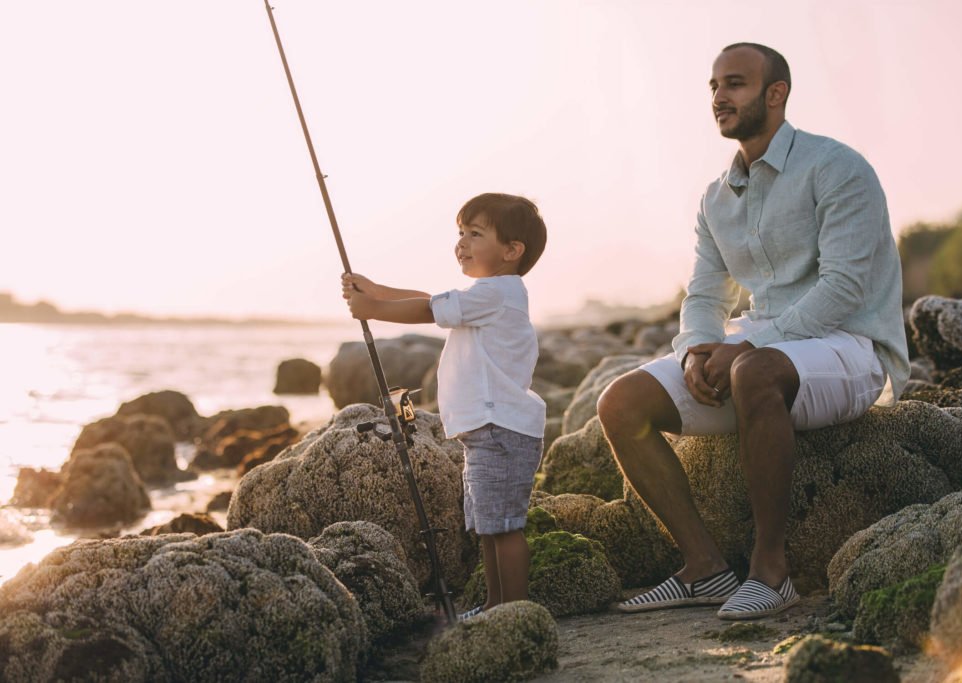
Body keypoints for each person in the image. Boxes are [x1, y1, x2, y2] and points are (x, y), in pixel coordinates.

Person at [599, 43, 909, 620]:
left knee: (752, 367)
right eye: (714, 86)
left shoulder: (837, 167)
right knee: (620, 402)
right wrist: (694, 351)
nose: (719, 97)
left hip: (850, 347)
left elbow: (843, 288)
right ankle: (706, 569)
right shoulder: (716, 197)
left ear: (776, 93)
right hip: (760, 352)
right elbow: (704, 293)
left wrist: (752, 344)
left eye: (735, 84)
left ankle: (772, 572)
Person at [342, 192, 548, 620]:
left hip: (501, 430)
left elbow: (425, 308)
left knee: (505, 528)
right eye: (460, 233)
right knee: (489, 528)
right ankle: (496, 605)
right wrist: (376, 290)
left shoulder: (497, 292)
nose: (462, 242)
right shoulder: (484, 295)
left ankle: (516, 611)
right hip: (486, 431)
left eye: (476, 233)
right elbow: (433, 299)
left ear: (512, 251)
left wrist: (374, 309)